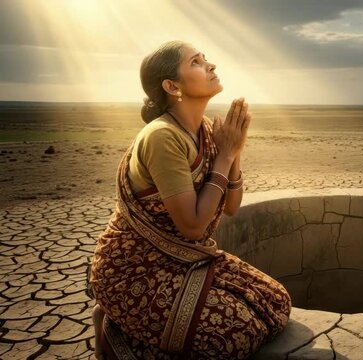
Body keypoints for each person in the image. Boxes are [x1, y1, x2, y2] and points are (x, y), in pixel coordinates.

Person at [89, 40, 292, 359]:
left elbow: (232, 207)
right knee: (236, 334)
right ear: (172, 86)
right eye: (197, 62)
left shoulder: (208, 130)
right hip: (135, 270)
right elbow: (194, 228)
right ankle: (113, 333)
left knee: (275, 302)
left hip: (185, 260)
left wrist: (233, 151)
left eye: (206, 59)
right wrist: (225, 156)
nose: (211, 65)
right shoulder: (162, 137)